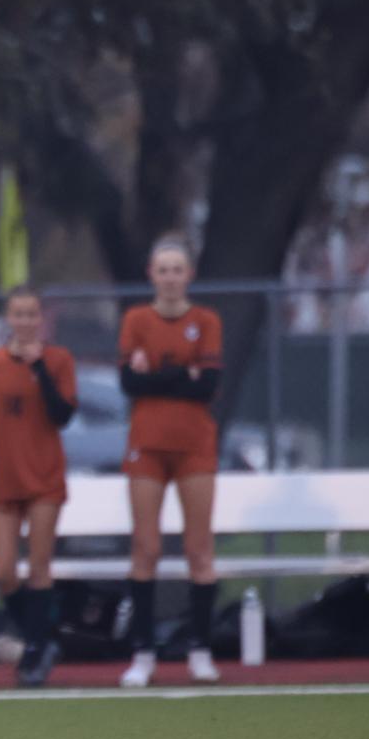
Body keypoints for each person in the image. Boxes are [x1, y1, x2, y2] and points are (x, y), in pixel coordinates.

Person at [117, 234, 224, 688]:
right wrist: (183, 372)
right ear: (151, 275)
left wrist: (159, 374)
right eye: (163, 270)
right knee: (147, 548)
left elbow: (207, 387)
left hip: (195, 446)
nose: (170, 277)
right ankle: (143, 652)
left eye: (178, 269)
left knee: (199, 549)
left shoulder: (206, 320)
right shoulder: (137, 319)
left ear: (189, 274)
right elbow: (129, 383)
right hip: (147, 445)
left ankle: (199, 648)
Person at [0, 286, 77, 687]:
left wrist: (39, 369)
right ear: (8, 318)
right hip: (5, 480)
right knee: (5, 571)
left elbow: (62, 415)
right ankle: (38, 639)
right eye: (18, 314)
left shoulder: (58, 360)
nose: (25, 321)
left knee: (39, 566)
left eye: (32, 314)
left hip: (44, 478)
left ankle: (34, 651)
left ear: (40, 318)